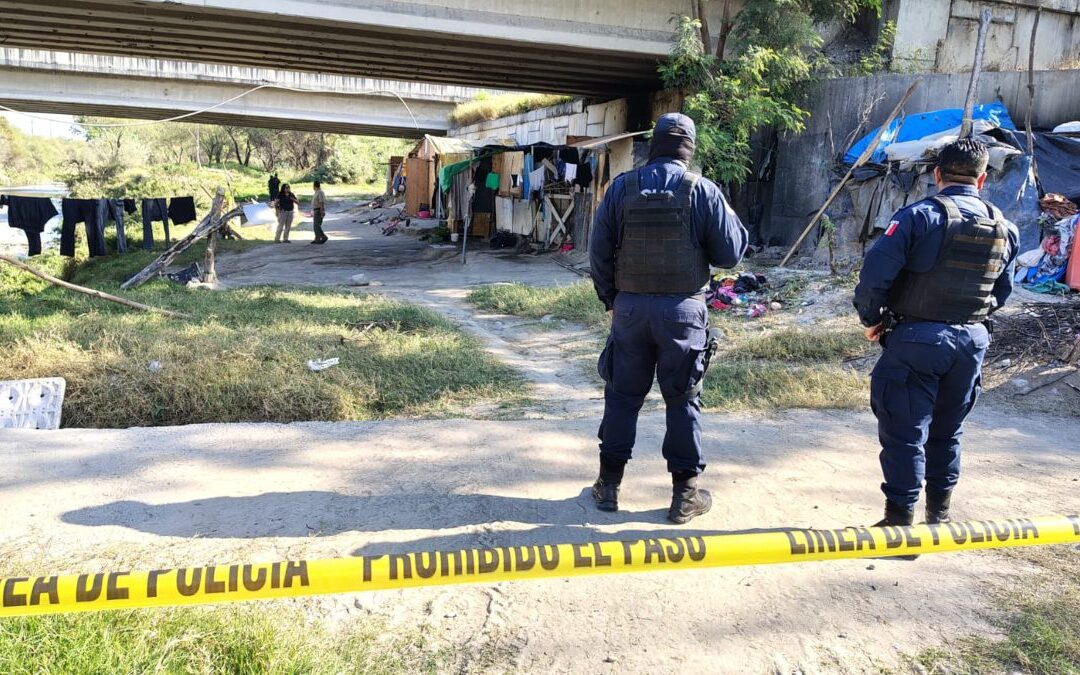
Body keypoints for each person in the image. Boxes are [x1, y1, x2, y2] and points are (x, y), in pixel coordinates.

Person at [589, 112, 748, 524]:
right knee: (682, 401)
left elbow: (598, 252)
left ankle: (608, 487)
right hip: (683, 313)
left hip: (630, 309)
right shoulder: (704, 190)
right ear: (689, 147)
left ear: (653, 144)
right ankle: (684, 497)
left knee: (622, 398)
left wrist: (612, 299)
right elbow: (730, 254)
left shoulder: (621, 187)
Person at [853, 139, 1019, 528]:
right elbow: (1002, 292)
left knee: (905, 432)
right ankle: (938, 517)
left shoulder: (918, 216)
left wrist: (871, 319)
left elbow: (875, 275)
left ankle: (899, 522)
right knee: (948, 431)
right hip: (971, 341)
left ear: (937, 174)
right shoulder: (1004, 226)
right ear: (982, 180)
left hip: (917, 339)